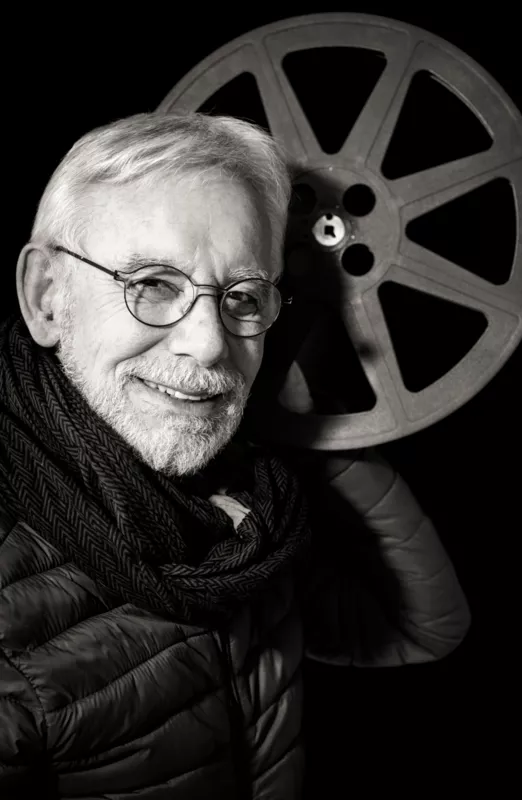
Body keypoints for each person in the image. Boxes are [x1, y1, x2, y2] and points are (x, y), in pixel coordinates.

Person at [0, 112, 471, 799]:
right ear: (47, 296)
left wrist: (313, 428)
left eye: (242, 297)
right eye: (153, 284)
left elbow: (419, 626)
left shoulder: (245, 510)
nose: (210, 344)